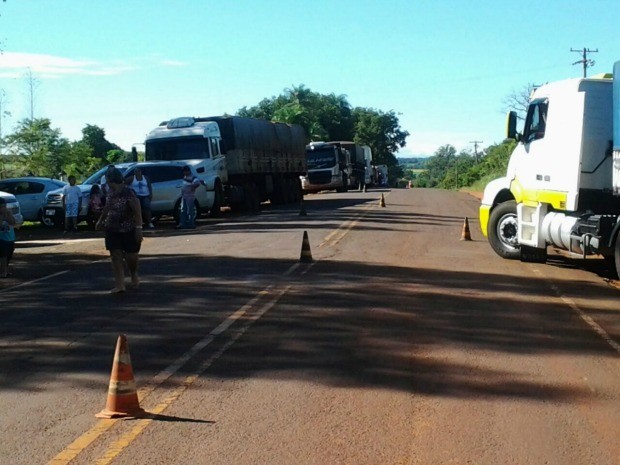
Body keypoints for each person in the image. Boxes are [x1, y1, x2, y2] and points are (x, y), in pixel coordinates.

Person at [95, 167, 143, 294]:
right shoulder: (110, 193)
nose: (108, 184)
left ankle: (133, 273)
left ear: (112, 180)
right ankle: (120, 284)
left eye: (109, 181)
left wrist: (139, 228)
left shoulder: (129, 192)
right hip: (112, 228)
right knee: (115, 255)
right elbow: (107, 207)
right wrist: (100, 220)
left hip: (128, 228)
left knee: (131, 256)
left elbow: (137, 211)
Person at [0, 197, 16, 278]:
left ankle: (4, 269)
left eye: (4, 206)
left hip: (10, 237)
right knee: (3, 255)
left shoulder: (8, 213)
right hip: (1, 238)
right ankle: (3, 272)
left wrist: (8, 215)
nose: (3, 208)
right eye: (1, 207)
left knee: (9, 254)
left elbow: (13, 223)